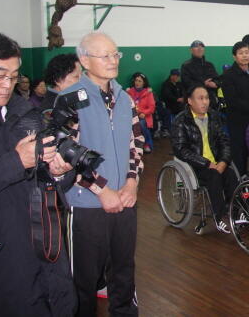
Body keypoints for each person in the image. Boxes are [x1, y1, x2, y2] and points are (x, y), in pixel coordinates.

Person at [0, 31, 76, 316]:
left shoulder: (26, 114)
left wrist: (58, 173)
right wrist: (16, 161)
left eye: (13, 76)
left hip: (45, 249)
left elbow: (50, 182)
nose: (7, 85)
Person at [66, 31, 144, 317]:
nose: (113, 61)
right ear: (85, 60)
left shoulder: (125, 98)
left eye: (115, 54)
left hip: (125, 200)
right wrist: (101, 189)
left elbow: (136, 143)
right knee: (84, 281)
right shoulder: (69, 100)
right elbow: (65, 154)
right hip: (87, 205)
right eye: (105, 55)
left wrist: (132, 182)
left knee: (123, 272)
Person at [171, 85, 238, 234]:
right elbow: (181, 149)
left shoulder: (214, 116)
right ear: (190, 101)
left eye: (207, 98)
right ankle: (219, 217)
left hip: (216, 162)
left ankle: (236, 212)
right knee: (214, 176)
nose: (205, 102)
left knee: (230, 174)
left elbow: (224, 141)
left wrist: (224, 161)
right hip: (195, 165)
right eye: (200, 98)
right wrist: (206, 163)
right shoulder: (181, 120)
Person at [221, 41, 249, 175]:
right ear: (234, 56)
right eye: (241, 53)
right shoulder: (229, 75)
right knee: (240, 153)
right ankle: (240, 181)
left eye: (246, 52)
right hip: (238, 121)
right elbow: (232, 100)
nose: (245, 55)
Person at [126, 72, 156, 154]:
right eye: (136, 80)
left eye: (140, 81)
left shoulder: (148, 93)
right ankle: (131, 145)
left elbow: (152, 108)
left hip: (144, 116)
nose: (137, 83)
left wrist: (144, 113)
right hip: (131, 115)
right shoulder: (129, 92)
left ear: (144, 83)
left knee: (141, 124)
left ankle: (147, 144)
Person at [160, 68, 184, 134]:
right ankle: (169, 130)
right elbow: (167, 96)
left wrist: (183, 98)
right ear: (171, 76)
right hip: (169, 105)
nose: (177, 77)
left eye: (178, 76)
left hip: (179, 105)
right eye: (176, 75)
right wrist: (177, 99)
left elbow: (183, 93)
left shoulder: (179, 84)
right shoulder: (166, 84)